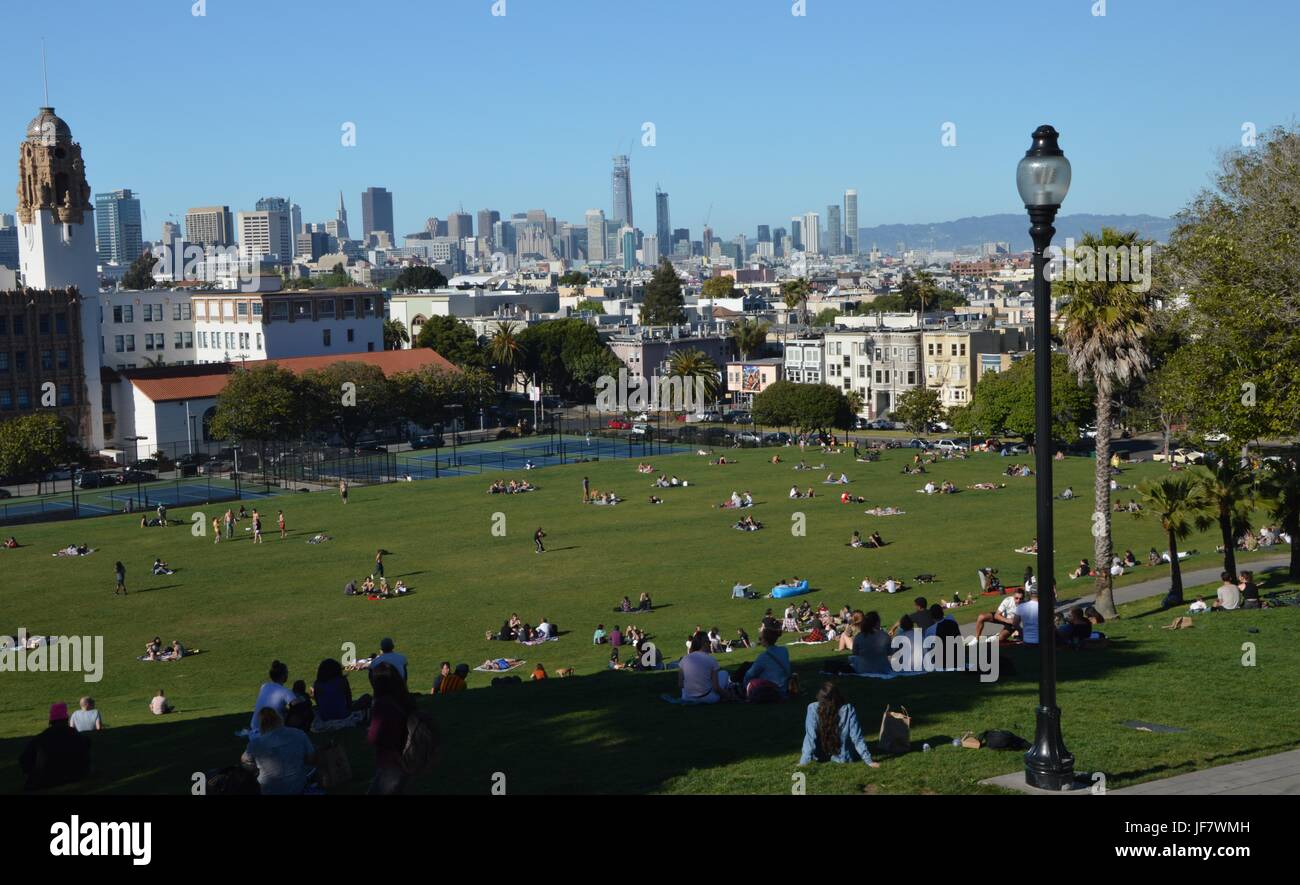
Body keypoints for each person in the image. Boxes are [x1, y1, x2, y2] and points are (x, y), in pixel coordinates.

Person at [799, 683, 879, 767]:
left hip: (822, 755)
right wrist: (869, 761)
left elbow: (810, 737)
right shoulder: (848, 709)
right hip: (842, 756)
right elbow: (856, 738)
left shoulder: (813, 708)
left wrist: (804, 762)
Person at [240, 706, 316, 795]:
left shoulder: (256, 743)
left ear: (261, 725)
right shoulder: (298, 733)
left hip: (268, 790)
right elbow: (312, 759)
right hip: (297, 787)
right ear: (279, 718)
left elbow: (244, 761)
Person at [367, 663, 416, 794]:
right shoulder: (404, 699)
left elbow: (373, 737)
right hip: (407, 756)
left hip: (390, 761)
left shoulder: (382, 704)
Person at [19, 704, 91, 791]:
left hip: (48, 779)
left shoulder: (42, 738)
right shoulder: (79, 737)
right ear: (66, 718)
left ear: (51, 720)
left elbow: (24, 761)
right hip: (75, 775)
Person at [678, 632, 730, 703]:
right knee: (724, 673)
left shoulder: (684, 659)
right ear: (704, 643)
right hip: (707, 698)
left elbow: (680, 685)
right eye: (708, 641)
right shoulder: (711, 659)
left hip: (687, 698)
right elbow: (716, 688)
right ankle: (727, 693)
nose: (710, 643)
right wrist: (727, 695)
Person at [741, 628, 791, 701]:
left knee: (746, 669)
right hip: (785, 686)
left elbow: (749, 675)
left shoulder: (764, 656)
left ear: (765, 640)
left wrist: (745, 687)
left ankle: (733, 683)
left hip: (773, 688)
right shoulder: (784, 650)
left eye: (760, 638)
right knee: (747, 665)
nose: (759, 640)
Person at [249, 660, 296, 737]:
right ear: (283, 675)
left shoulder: (264, 686)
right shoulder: (286, 692)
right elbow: (299, 707)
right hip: (270, 734)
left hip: (254, 732)